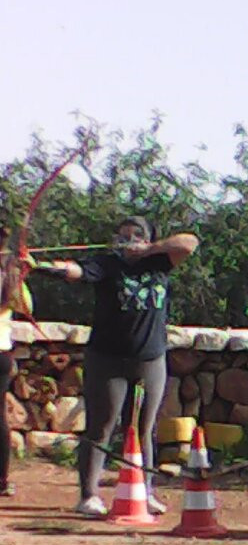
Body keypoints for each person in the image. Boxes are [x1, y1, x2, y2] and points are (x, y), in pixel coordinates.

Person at [33, 217, 199, 516]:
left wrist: (148, 250)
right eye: (123, 236)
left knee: (144, 429)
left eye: (137, 234)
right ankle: (88, 495)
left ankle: (143, 491)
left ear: (149, 238)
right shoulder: (107, 263)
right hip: (107, 358)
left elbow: (189, 243)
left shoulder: (160, 261)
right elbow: (76, 272)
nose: (129, 240)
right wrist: (40, 266)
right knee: (101, 427)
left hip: (150, 358)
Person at [0, 224, 33, 497]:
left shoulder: (9, 271)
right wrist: (21, 275)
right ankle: (1, 480)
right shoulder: (9, 272)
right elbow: (26, 307)